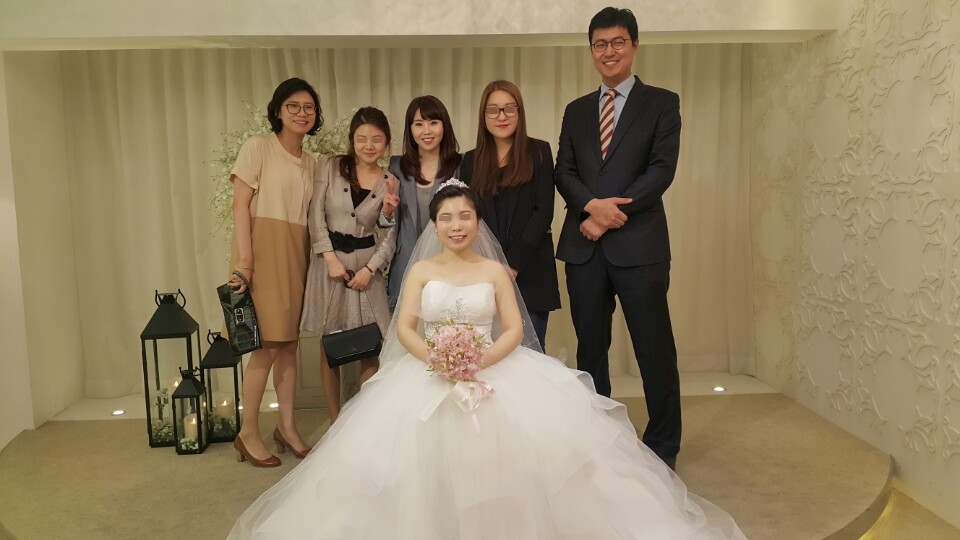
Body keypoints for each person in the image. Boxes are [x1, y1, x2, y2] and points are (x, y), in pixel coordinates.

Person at [229, 182, 745, 539]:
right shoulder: (420, 271)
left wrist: (476, 360)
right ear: (434, 225)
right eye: (446, 218)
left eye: (465, 216)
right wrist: (438, 358)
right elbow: (405, 327)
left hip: (491, 367)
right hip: (428, 368)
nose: (456, 225)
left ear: (477, 222)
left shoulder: (495, 271)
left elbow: (515, 330)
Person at [555, 7, 683, 470]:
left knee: (654, 349)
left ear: (634, 45)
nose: (608, 51)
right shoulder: (576, 110)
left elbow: (661, 171)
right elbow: (563, 171)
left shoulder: (662, 103)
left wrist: (607, 216)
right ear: (591, 50)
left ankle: (663, 447)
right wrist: (591, 207)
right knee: (590, 349)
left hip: (640, 247)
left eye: (617, 42)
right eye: (600, 44)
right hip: (584, 249)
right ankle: (599, 438)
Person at [228, 77, 322, 467]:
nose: (302, 113)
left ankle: (286, 427)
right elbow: (239, 206)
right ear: (278, 110)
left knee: (288, 344)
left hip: (296, 252)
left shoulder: (312, 162)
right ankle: (248, 432)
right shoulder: (259, 147)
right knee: (266, 346)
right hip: (261, 252)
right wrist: (245, 263)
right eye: (293, 106)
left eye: (308, 107)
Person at [300, 107, 399, 423]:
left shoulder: (389, 181)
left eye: (377, 139)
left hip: (366, 271)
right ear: (352, 140)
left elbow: (389, 234)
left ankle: (365, 424)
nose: (369, 145)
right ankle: (335, 423)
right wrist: (329, 258)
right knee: (330, 344)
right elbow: (315, 215)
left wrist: (371, 269)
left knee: (369, 344)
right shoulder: (329, 166)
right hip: (329, 268)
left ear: (386, 143)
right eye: (362, 138)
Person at [460, 80, 560, 349]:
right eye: (493, 110)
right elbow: (468, 216)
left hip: (530, 269)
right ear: (483, 116)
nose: (501, 116)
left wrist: (513, 264)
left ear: (519, 112)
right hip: (484, 271)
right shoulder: (470, 161)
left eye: (509, 108)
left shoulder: (539, 152)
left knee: (531, 354)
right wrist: (493, 266)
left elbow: (543, 212)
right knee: (487, 353)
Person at [386, 95, 462, 310]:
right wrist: (387, 212)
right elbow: (388, 223)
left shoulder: (460, 165)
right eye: (419, 124)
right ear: (410, 129)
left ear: (444, 125)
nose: (426, 131)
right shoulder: (397, 166)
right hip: (406, 264)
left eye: (433, 122)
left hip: (449, 264)